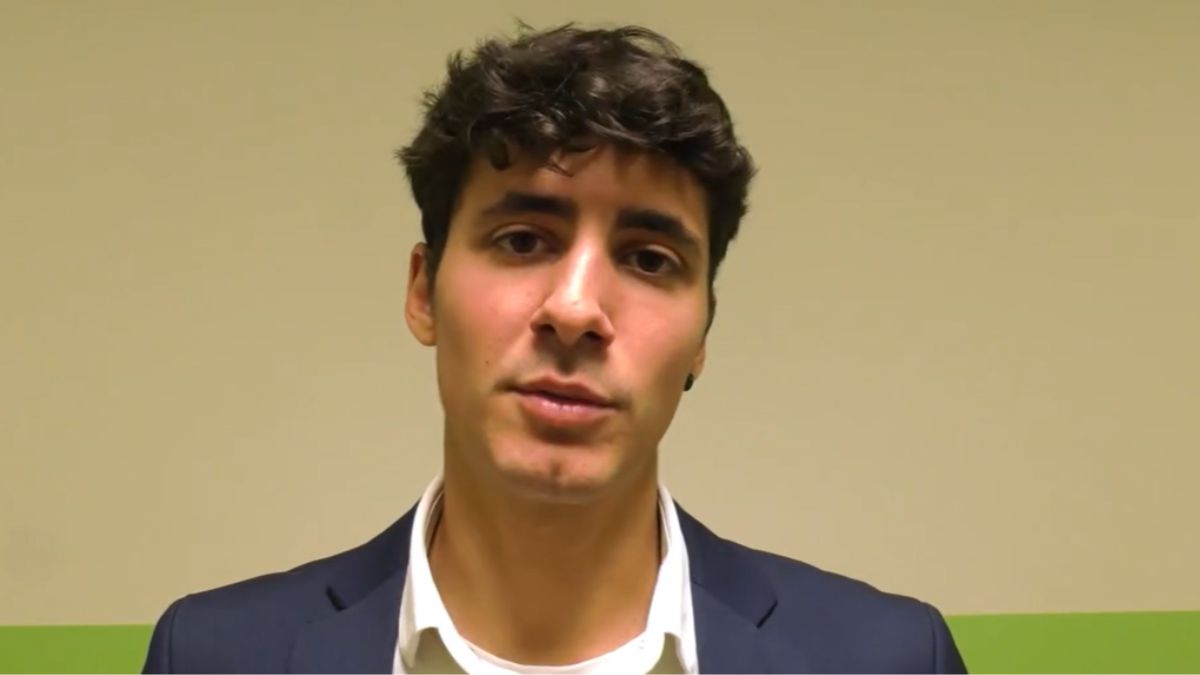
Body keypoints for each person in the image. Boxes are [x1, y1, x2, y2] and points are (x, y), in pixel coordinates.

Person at [143, 23, 967, 674]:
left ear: (702, 336)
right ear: (424, 292)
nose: (575, 310)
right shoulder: (213, 655)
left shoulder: (887, 657)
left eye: (649, 259)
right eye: (523, 239)